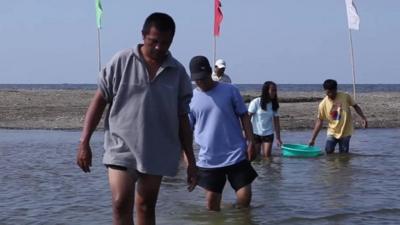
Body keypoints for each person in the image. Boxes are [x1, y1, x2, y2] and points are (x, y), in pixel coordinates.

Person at [76, 12, 197, 225]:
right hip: (120, 147)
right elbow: (98, 102)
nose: (159, 47)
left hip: (157, 149)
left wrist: (191, 160)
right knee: (120, 202)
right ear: (143, 36)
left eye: (166, 43)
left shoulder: (177, 72)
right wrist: (84, 142)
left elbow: (183, 119)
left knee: (145, 205)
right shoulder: (122, 61)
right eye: (154, 41)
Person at [188, 55, 257, 211]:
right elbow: (186, 131)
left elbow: (244, 116)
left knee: (244, 198)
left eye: (204, 78)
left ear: (210, 73)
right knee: (212, 206)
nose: (201, 82)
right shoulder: (191, 98)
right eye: (197, 80)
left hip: (236, 153)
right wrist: (189, 164)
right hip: (209, 159)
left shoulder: (230, 90)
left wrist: (250, 141)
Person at [308, 79, 368, 154]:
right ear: (325, 91)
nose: (330, 94)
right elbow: (319, 121)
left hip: (346, 131)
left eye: (332, 92)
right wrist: (313, 139)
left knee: (343, 155)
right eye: (328, 92)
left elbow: (355, 106)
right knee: (328, 150)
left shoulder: (345, 96)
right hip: (332, 132)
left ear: (336, 89)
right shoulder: (322, 104)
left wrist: (363, 118)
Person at [248, 81, 283, 158]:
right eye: (273, 90)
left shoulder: (274, 104)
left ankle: (267, 170)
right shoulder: (256, 102)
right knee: (255, 157)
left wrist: (278, 138)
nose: (274, 92)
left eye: (275, 90)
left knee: (267, 157)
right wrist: (246, 133)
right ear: (266, 91)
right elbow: (248, 118)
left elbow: (276, 122)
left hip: (268, 133)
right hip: (255, 133)